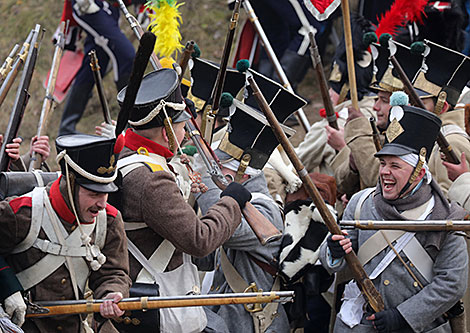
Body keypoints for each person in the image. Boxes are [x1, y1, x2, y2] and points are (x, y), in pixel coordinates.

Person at [114, 68, 249, 331]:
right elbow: (200, 239)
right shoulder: (152, 179)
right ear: (166, 129)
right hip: (154, 303)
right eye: (180, 124)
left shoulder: (125, 156)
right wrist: (231, 201)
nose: (185, 132)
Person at [320, 100, 468, 332]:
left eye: (395, 166)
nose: (385, 172)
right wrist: (333, 250)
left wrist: (404, 316)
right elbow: (334, 261)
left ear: (419, 173)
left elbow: (452, 283)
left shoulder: (447, 217)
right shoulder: (361, 203)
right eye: (382, 164)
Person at [0, 134, 131, 332]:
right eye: (94, 193)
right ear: (70, 183)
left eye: (106, 193)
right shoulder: (22, 212)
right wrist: (7, 289)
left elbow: (113, 273)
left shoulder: (110, 220)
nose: (102, 204)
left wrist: (112, 293)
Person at [193, 93, 289, 333]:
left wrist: (206, 182)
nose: (214, 177)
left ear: (241, 176)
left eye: (219, 171)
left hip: (254, 323)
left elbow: (225, 232)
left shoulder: (266, 210)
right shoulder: (238, 204)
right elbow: (205, 253)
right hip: (225, 317)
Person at [58, 0, 137, 135]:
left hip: (109, 7)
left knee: (94, 62)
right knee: (126, 56)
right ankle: (129, 122)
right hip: (89, 4)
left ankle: (67, 128)